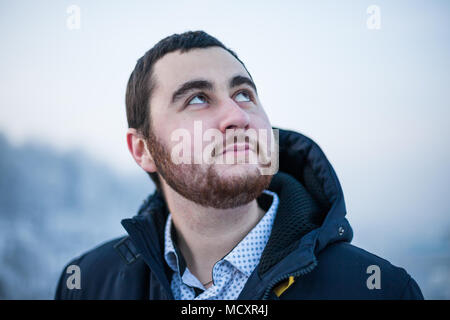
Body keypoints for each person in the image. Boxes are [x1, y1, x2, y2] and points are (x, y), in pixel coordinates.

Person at [55, 30, 423, 300]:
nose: (236, 116)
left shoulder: (379, 290)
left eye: (243, 94)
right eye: (198, 99)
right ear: (143, 149)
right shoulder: (87, 283)